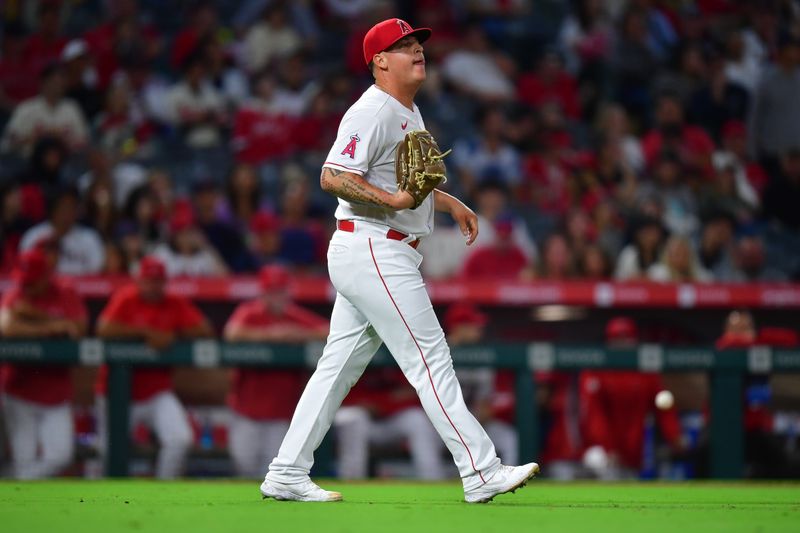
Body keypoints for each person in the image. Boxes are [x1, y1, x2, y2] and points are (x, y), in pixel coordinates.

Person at [261, 19, 538, 504]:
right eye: (404, 47)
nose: (417, 52)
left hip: (377, 247)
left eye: (418, 45)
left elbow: (409, 185)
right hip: (373, 246)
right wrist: (389, 198)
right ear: (379, 62)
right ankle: (480, 471)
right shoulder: (372, 110)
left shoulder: (407, 110)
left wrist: (448, 203)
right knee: (429, 358)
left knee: (337, 367)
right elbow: (332, 176)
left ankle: (286, 471)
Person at [94, 256, 214, 478]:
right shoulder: (126, 298)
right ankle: (97, 499)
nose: (153, 286)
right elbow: (104, 329)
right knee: (108, 451)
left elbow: (204, 329)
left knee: (179, 439)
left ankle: (163, 490)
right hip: (117, 393)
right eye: (148, 280)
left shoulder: (173, 301)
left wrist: (174, 334)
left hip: (155, 391)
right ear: (138, 280)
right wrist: (145, 332)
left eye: (158, 281)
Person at [224, 265, 328, 478]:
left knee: (273, 471)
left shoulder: (294, 316)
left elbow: (328, 331)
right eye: (271, 291)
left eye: (280, 290)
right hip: (246, 410)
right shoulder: (250, 313)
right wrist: (272, 334)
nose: (276, 296)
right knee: (243, 466)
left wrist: (298, 334)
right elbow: (232, 334)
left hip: (281, 412)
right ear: (263, 292)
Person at [0, 249, 88, 478]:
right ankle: (21, 496)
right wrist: (51, 328)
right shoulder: (16, 293)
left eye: (32, 281)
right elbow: (6, 327)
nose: (26, 286)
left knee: (60, 456)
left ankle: (13, 486)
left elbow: (78, 329)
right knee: (24, 460)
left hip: (55, 391)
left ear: (46, 276)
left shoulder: (64, 291)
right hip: (19, 390)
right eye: (24, 281)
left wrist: (36, 316)